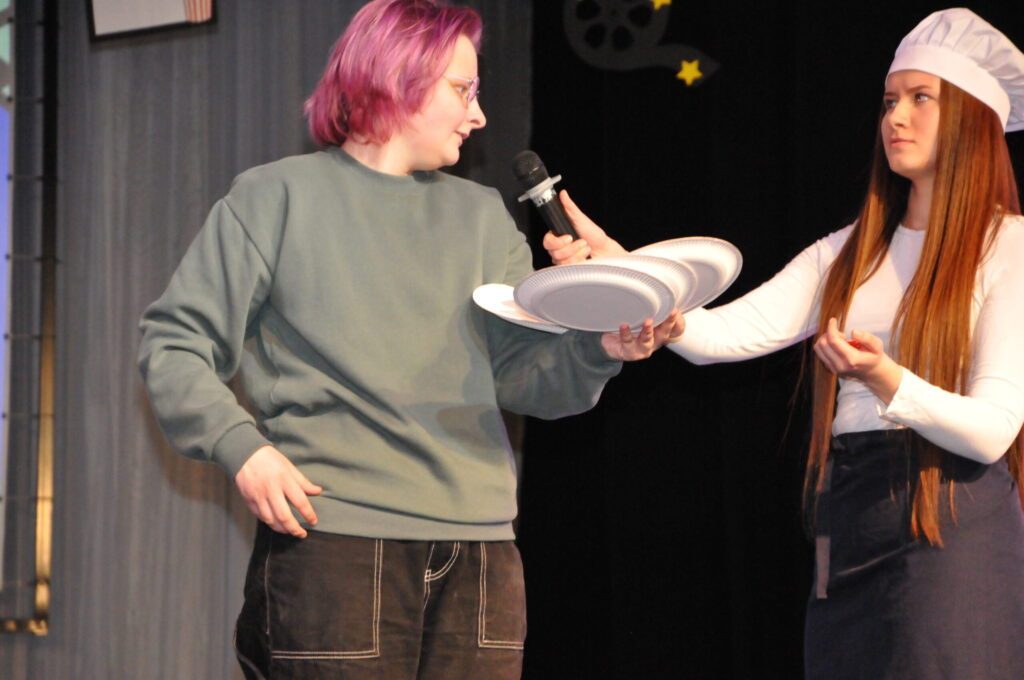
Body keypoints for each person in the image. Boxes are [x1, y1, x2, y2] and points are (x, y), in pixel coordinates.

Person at [137, 1, 682, 678]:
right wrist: (241, 448)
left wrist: (598, 348)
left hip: (482, 553)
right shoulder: (275, 198)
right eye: (463, 90)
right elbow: (175, 342)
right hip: (338, 543)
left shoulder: (482, 217)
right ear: (399, 76)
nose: (479, 116)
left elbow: (524, 378)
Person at [545, 8, 1024, 679]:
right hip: (851, 518)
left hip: (950, 522)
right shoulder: (849, 251)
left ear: (974, 120)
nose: (896, 117)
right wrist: (631, 278)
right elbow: (723, 334)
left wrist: (887, 379)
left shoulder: (1008, 247)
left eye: (922, 98)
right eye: (890, 101)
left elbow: (993, 431)